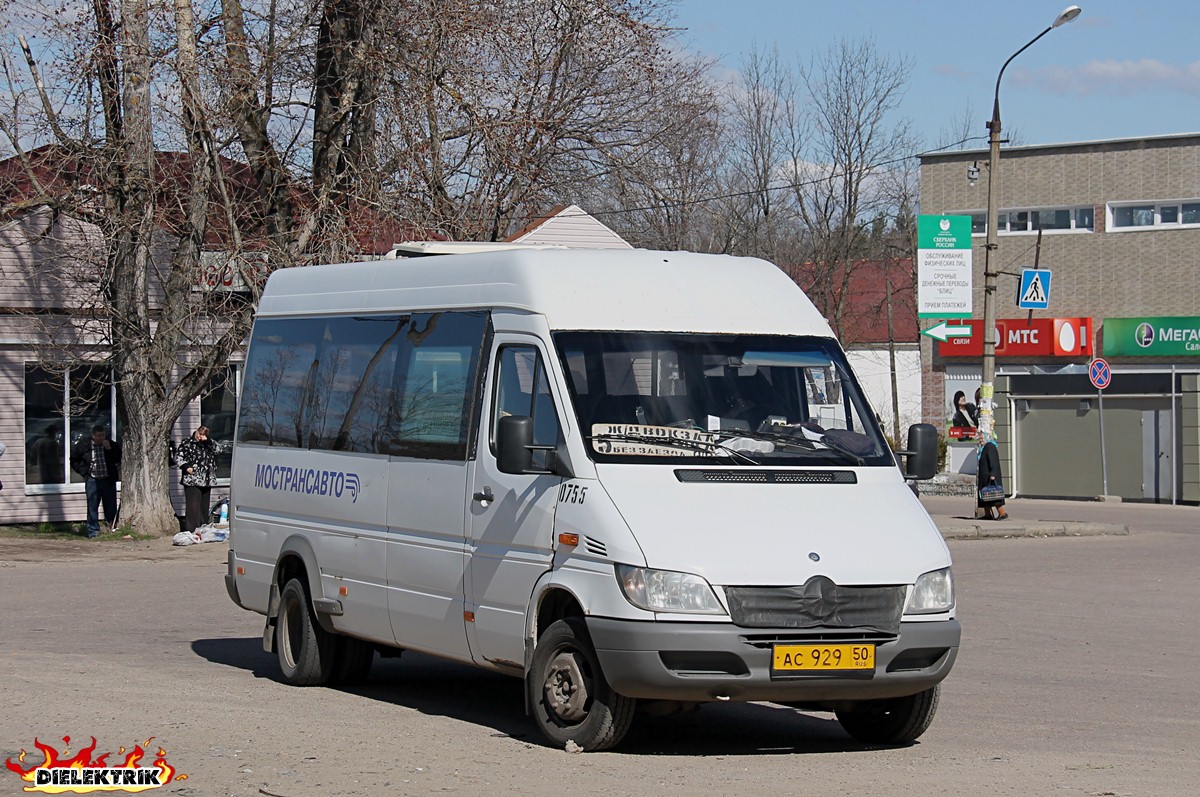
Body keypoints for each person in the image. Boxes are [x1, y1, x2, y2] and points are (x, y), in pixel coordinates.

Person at [70, 425, 122, 538]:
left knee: (110, 506)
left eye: (103, 435)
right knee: (92, 506)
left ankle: (111, 528)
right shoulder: (84, 446)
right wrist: (83, 472)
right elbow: (73, 459)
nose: (101, 438)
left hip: (108, 480)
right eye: (99, 435)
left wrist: (109, 450)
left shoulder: (110, 444)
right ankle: (93, 531)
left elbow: (118, 458)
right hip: (92, 480)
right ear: (93, 436)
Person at [177, 425, 218, 533]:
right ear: (196, 432)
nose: (200, 437)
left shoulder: (208, 444)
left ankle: (203, 527)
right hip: (192, 479)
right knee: (193, 506)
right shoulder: (187, 443)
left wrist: (208, 441)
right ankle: (192, 529)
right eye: (199, 434)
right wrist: (186, 467)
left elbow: (219, 450)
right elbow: (178, 457)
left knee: (204, 506)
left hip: (207, 479)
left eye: (203, 435)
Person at [975, 431, 1009, 521]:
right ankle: (988, 514)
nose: (981, 441)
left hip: (990, 476)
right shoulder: (984, 448)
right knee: (985, 497)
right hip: (984, 477)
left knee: (994, 496)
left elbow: (993, 461)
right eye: (980, 439)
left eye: (982, 439)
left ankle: (1002, 513)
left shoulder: (990, 447)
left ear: (987, 438)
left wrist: (993, 474)